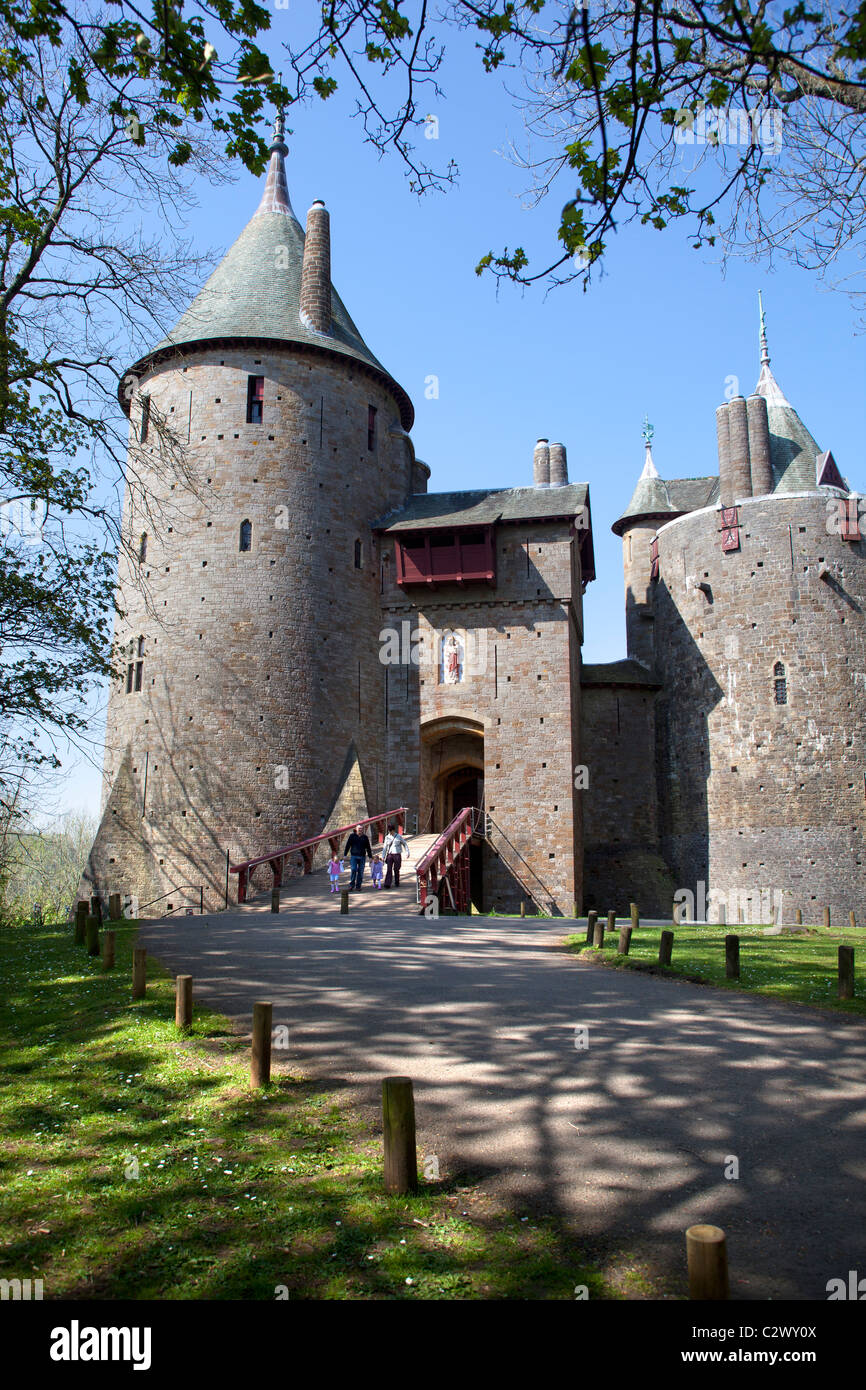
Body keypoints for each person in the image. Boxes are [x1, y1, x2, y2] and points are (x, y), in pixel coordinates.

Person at [343, 823, 373, 891]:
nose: (360, 830)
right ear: (356, 829)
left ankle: (358, 886)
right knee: (353, 869)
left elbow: (368, 848)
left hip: (362, 856)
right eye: (359, 829)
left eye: (361, 829)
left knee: (360, 871)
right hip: (354, 856)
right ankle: (351, 885)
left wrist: (370, 857)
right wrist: (345, 855)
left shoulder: (365, 837)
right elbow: (348, 845)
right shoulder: (352, 836)